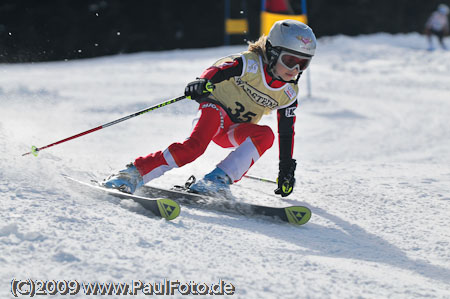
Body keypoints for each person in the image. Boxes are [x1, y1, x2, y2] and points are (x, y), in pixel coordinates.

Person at [103, 19, 317, 198]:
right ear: (272, 52)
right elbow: (219, 69)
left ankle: (216, 182)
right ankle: (130, 174)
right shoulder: (251, 64)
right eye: (290, 60)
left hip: (235, 130)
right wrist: (202, 82)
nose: (295, 69)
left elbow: (286, 131)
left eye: (303, 63)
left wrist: (286, 167)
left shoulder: (289, 93)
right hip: (215, 110)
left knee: (266, 135)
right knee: (193, 148)